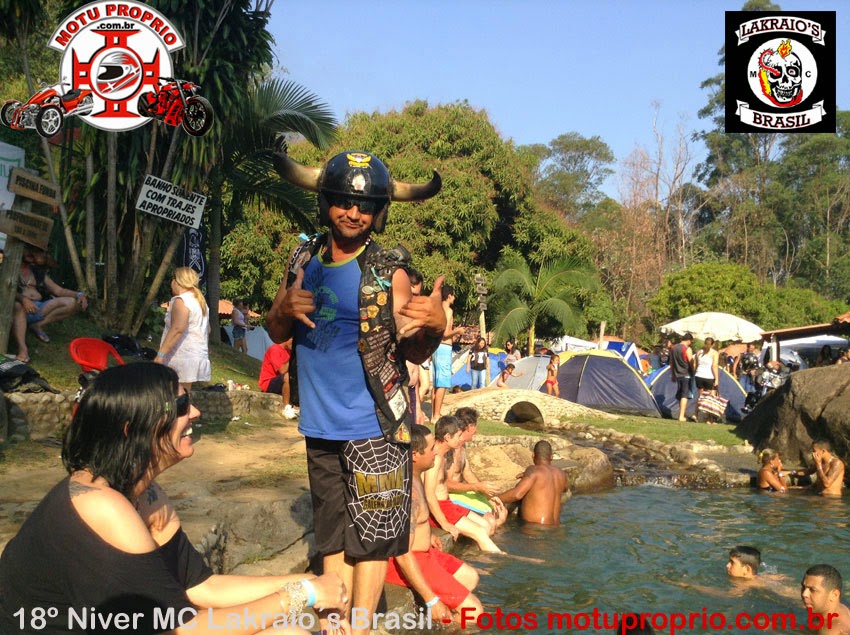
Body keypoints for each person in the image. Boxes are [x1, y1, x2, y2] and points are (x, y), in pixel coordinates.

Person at [0, 363, 350, 635]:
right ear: (133, 429)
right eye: (181, 405)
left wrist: (309, 585)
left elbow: (201, 586)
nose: (195, 412)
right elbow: (183, 630)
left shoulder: (142, 492)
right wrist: (304, 595)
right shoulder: (103, 506)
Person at [266, 146, 445, 634]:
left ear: (379, 212)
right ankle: (333, 622)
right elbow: (277, 330)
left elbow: (411, 348)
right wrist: (284, 309)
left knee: (373, 538)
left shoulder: (391, 270)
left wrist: (434, 325)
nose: (353, 212)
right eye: (344, 201)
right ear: (325, 202)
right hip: (320, 426)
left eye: (365, 205)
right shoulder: (303, 257)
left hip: (375, 427)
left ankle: (360, 626)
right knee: (332, 535)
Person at [384, 424, 484, 625]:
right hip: (409, 560)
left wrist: (426, 534)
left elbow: (411, 523)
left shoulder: (414, 477)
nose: (436, 453)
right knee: (474, 612)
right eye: (431, 449)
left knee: (470, 577)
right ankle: (441, 624)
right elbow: (402, 552)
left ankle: (441, 618)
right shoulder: (409, 493)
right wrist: (431, 599)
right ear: (414, 455)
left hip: (424, 552)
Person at [424, 416, 502, 552]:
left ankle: (475, 556)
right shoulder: (434, 458)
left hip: (447, 504)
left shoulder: (443, 455)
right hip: (440, 508)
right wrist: (444, 523)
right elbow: (429, 494)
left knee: (485, 525)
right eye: (458, 436)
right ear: (447, 437)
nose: (461, 439)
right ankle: (499, 558)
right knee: (480, 532)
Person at [13, 247, 88, 362]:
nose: (32, 254)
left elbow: (59, 291)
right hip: (18, 309)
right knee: (17, 306)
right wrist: (23, 299)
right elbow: (5, 289)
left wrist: (79, 294)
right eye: (29, 250)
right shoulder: (10, 268)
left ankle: (38, 325)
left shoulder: (36, 271)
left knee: (71, 302)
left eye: (36, 251)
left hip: (38, 308)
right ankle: (23, 349)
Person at [445, 407, 504, 527]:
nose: (476, 431)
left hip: (461, 492)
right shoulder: (451, 449)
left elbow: (467, 473)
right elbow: (446, 484)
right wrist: (477, 487)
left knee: (501, 511)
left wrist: (486, 493)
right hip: (450, 496)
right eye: (476, 426)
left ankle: (489, 534)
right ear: (469, 426)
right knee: (491, 520)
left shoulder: (462, 446)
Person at [155, 267, 211, 391]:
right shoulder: (200, 302)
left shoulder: (182, 301)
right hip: (195, 355)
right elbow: (208, 330)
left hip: (181, 356)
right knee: (184, 394)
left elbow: (177, 329)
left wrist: (160, 354)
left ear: (177, 281)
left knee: (172, 394)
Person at [496, 440, 569, 525]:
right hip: (556, 527)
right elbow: (565, 488)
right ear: (551, 457)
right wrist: (529, 476)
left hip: (534, 528)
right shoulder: (561, 474)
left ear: (533, 456)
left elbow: (517, 494)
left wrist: (495, 499)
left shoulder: (533, 470)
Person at [431, 284, 464, 421]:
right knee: (442, 383)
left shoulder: (437, 309)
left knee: (436, 383)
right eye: (453, 295)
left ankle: (433, 414)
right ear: (449, 295)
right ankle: (436, 415)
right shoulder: (448, 311)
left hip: (436, 347)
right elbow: (445, 333)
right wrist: (458, 331)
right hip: (444, 348)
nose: (454, 298)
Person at [801, 564, 850, 635]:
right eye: (803, 587)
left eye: (812, 590)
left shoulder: (830, 630)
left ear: (834, 595)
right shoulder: (831, 606)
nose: (804, 594)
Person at [406, 269, 427, 424]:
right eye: (412, 294)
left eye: (418, 295)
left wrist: (418, 407)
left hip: (412, 392)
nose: (415, 299)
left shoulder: (416, 319)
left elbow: (415, 365)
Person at [259, 338, 298, 419]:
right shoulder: (275, 349)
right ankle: (285, 408)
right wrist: (293, 358)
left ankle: (297, 408)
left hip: (281, 381)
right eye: (293, 341)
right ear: (287, 338)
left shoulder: (289, 351)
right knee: (287, 377)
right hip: (268, 383)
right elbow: (282, 370)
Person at [669, 333, 694, 422]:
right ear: (689, 340)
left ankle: (682, 414)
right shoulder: (687, 349)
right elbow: (691, 362)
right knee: (684, 395)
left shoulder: (673, 348)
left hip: (677, 374)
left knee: (680, 395)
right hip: (686, 374)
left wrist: (673, 374)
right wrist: (694, 371)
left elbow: (671, 362)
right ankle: (681, 416)